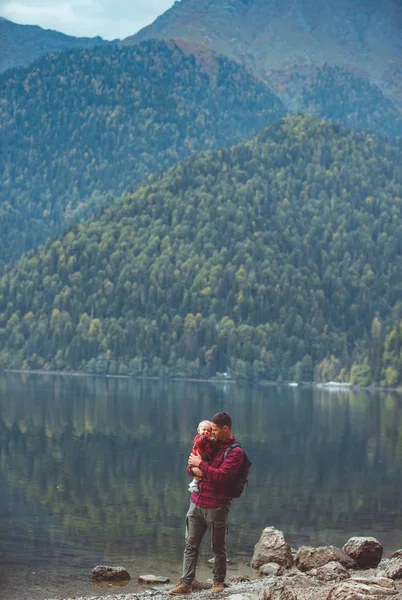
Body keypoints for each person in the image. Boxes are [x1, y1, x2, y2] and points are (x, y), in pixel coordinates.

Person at [169, 412, 244, 596]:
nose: (211, 433)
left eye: (215, 430)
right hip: (196, 503)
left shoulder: (235, 452)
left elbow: (222, 477)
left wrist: (201, 466)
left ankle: (218, 581)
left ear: (225, 429)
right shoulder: (209, 444)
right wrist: (199, 467)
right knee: (190, 544)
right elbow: (190, 466)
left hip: (217, 506)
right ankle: (186, 583)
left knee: (218, 547)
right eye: (210, 429)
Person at [188, 420, 215, 493]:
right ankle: (193, 484)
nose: (206, 432)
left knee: (202, 472)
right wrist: (208, 438)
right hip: (198, 457)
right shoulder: (198, 438)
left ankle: (193, 484)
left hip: (202, 459)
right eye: (204, 430)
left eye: (209, 431)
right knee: (201, 472)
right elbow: (200, 442)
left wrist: (211, 440)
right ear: (198, 430)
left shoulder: (207, 440)